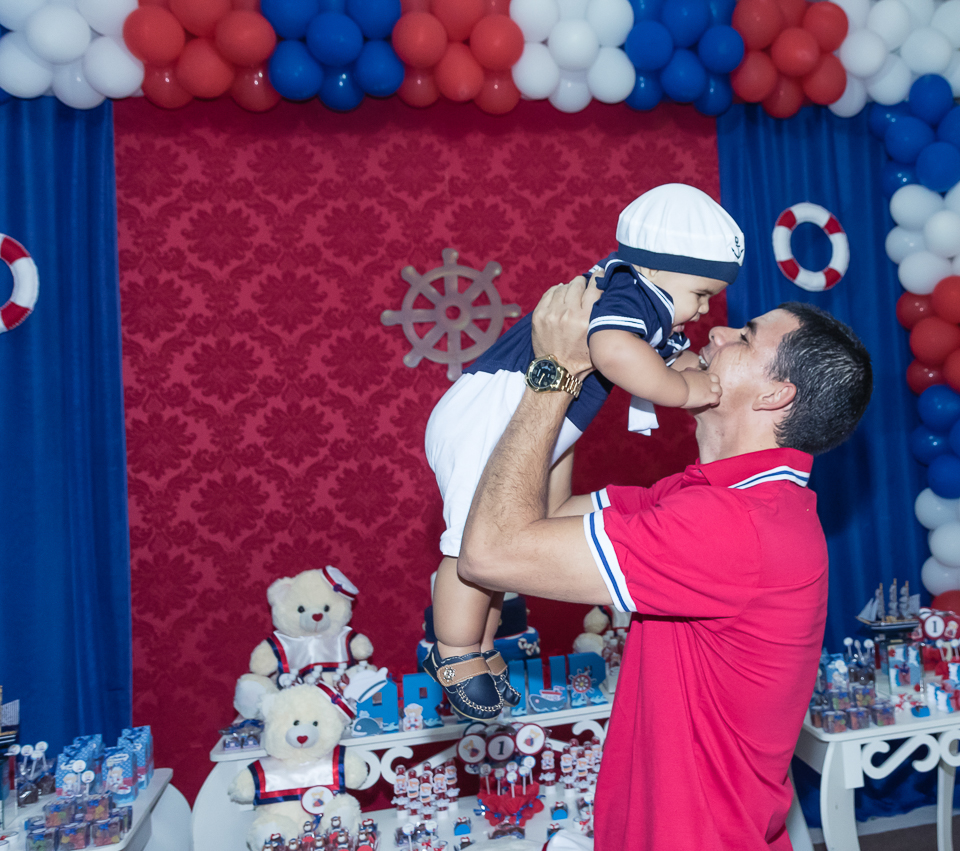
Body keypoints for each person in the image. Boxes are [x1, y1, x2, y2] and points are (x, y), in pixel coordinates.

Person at [457, 279, 873, 849]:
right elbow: (545, 513)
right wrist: (589, 373)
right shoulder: (713, 497)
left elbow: (490, 553)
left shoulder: (734, 526)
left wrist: (552, 372)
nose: (719, 331)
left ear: (776, 394)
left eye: (745, 338)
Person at [423, 184, 744, 721]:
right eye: (702, 292)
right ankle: (453, 651)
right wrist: (686, 392)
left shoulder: (656, 305)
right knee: (472, 545)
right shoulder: (625, 292)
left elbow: (678, 358)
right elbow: (616, 352)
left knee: (500, 554)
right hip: (490, 411)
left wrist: (708, 381)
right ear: (660, 268)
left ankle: (478, 646)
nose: (706, 308)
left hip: (522, 419)